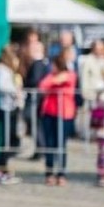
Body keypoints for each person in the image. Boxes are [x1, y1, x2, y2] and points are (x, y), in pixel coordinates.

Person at [38, 53, 77, 186]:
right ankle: (49, 173)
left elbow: (68, 84)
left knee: (61, 144)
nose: (51, 67)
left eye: (53, 65)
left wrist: (56, 83)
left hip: (64, 113)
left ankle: (61, 173)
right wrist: (55, 81)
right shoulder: (51, 76)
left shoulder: (71, 74)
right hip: (49, 112)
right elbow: (43, 86)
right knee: (49, 144)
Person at [0, 45, 23, 184]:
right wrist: (15, 91)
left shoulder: (6, 69)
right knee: (7, 141)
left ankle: (3, 168)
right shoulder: (1, 70)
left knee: (11, 140)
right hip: (5, 107)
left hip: (10, 107)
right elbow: (2, 86)